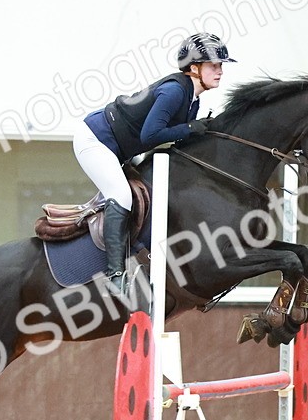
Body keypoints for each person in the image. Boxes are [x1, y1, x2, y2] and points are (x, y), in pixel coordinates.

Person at [74, 32, 235, 295]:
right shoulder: (174, 91)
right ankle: (114, 274)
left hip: (120, 147)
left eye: (220, 66)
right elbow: (150, 135)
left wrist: (196, 131)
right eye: (214, 65)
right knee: (122, 196)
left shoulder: (192, 98)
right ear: (194, 68)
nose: (220, 71)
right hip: (96, 140)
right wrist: (190, 129)